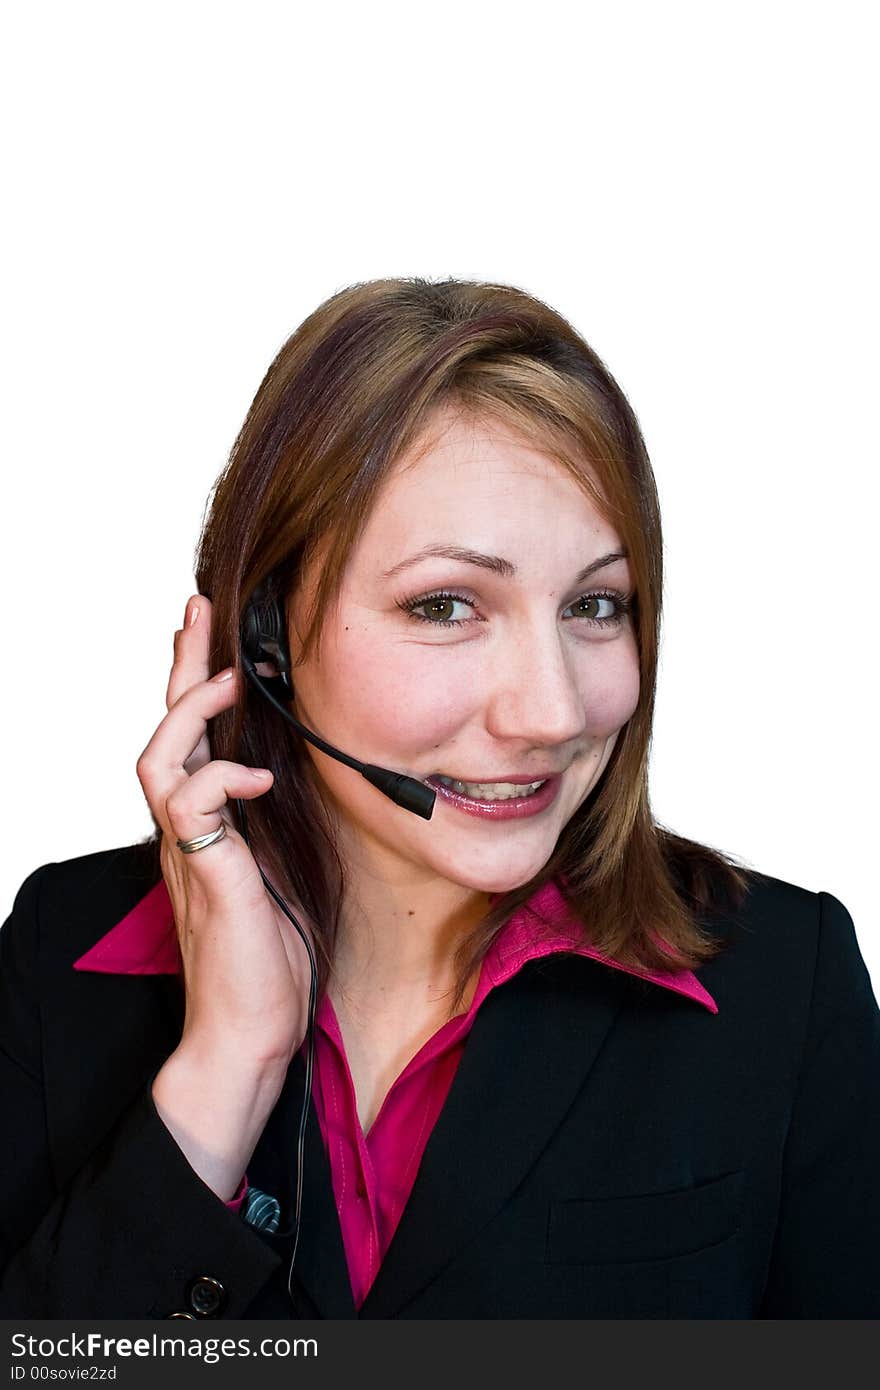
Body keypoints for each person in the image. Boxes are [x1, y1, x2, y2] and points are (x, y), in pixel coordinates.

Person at [1, 277, 878, 1320]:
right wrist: (223, 1071)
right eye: (447, 605)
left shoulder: (784, 982)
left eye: (596, 604)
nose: (551, 712)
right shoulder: (61, 954)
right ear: (269, 637)